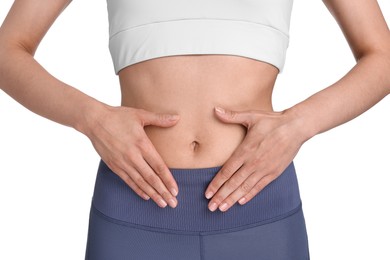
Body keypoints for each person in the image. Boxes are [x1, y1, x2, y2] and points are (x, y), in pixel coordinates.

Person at [0, 0, 389, 259]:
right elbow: (7, 49)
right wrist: (92, 118)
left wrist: (301, 123)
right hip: (134, 204)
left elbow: (382, 56)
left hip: (259, 204)